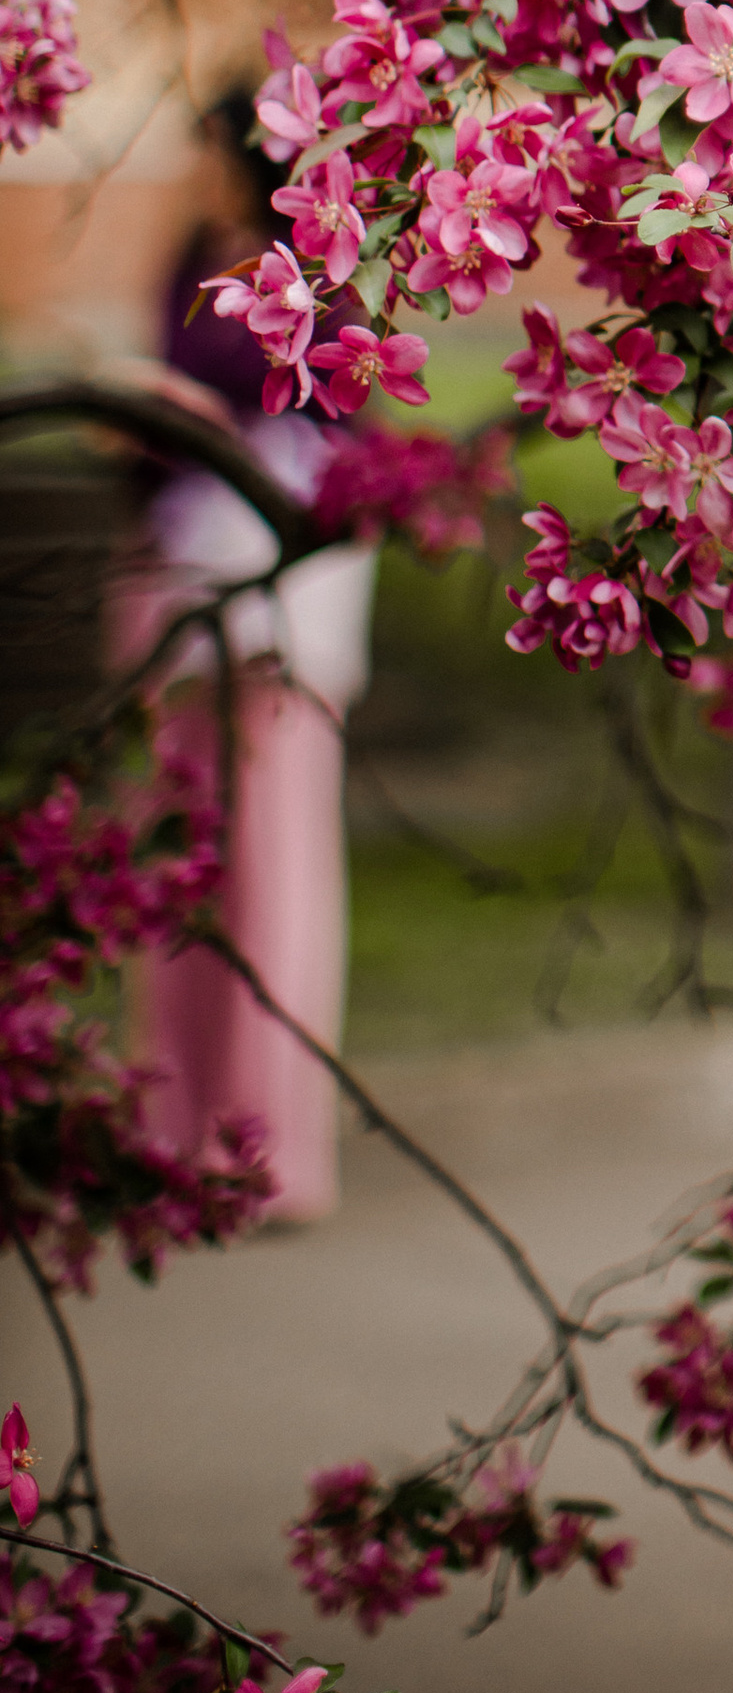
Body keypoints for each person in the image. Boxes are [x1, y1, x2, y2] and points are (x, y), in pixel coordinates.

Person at [118, 92, 375, 1223]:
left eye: (211, 151)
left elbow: (336, 413)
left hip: (277, 605)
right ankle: (169, 1129)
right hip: (180, 587)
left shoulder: (325, 261)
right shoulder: (191, 252)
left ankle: (267, 1153)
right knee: (178, 865)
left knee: (274, 876)